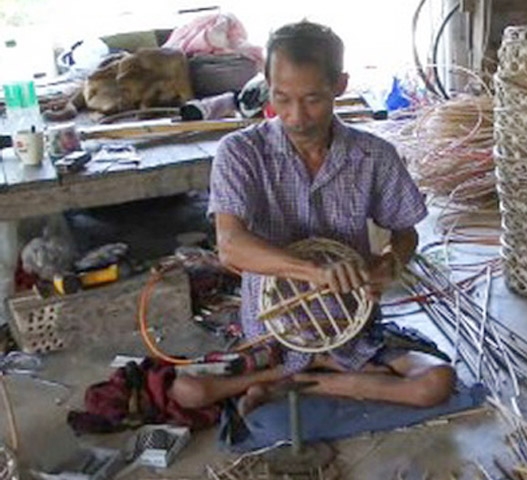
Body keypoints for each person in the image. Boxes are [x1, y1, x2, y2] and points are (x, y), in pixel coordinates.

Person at [168, 20, 455, 414]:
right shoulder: (240, 152)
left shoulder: (373, 155)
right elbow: (231, 247)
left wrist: (390, 263)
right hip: (274, 331)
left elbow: (405, 231)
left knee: (436, 383)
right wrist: (315, 272)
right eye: (281, 98)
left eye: (313, 99)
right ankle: (325, 377)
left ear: (339, 85)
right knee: (187, 391)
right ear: (265, 83)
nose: (296, 116)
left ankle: (300, 382)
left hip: (350, 329)